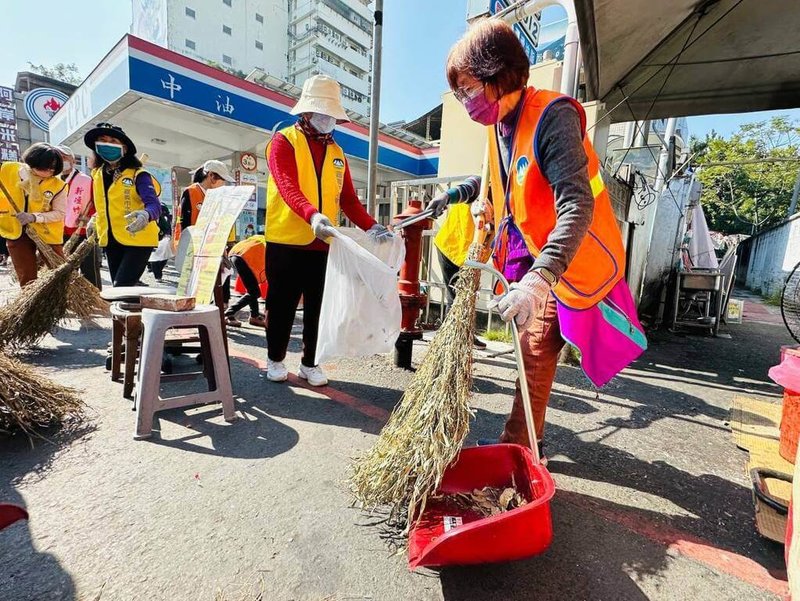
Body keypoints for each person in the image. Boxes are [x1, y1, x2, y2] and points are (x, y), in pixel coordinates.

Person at [445, 20, 626, 457]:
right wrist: (473, 197)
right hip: (525, 256)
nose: (465, 101)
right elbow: (506, 177)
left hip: (567, 258)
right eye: (459, 93)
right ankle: (528, 439)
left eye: (468, 89)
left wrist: (538, 278)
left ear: (497, 74)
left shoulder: (553, 116)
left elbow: (577, 204)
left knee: (534, 352)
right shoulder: (500, 124)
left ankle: (520, 448)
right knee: (527, 352)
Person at [265, 74, 392, 387]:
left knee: (319, 310)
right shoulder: (283, 141)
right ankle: (275, 359)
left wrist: (373, 226)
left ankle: (311, 363)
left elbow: (348, 200)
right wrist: (312, 215)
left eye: (331, 114)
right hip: (286, 241)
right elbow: (287, 186)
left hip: (323, 245)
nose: (327, 119)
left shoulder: (337, 153)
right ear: (306, 111)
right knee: (281, 306)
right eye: (321, 112)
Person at [84, 123, 162, 287]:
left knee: (121, 286)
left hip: (138, 238)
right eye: (102, 140)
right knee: (119, 290)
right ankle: (131, 311)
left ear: (124, 148)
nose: (107, 144)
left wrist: (146, 214)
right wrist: (95, 218)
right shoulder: (97, 175)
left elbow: (154, 205)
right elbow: (104, 205)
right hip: (111, 239)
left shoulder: (138, 174)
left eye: (113, 141)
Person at [428, 176, 486, 349]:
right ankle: (449, 341)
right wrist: (446, 196)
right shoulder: (481, 184)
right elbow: (466, 188)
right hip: (452, 248)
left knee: (468, 295)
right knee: (456, 296)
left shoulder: (503, 194)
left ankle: (465, 334)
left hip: (471, 256)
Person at [0, 143, 67, 286]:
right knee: (26, 277)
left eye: (53, 169)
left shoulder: (58, 185)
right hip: (16, 231)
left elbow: (60, 213)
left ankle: (59, 300)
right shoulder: (8, 170)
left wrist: (33, 217)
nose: (49, 172)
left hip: (47, 233)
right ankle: (34, 305)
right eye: (45, 167)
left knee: (59, 272)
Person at [58, 145, 102, 290]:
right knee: (66, 269)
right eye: (58, 157)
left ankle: (95, 296)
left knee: (89, 268)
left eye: (64, 157)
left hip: (82, 231)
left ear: (72, 160)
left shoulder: (86, 180)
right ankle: (71, 298)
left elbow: (98, 203)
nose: (61, 160)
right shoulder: (53, 180)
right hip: (59, 232)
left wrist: (89, 217)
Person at [225, 234, 267, 328]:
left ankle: (254, 316)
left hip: (237, 253)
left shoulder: (265, 239)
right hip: (245, 257)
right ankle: (228, 313)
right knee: (255, 292)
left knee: (252, 290)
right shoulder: (278, 249)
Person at [148, 202, 174, 282]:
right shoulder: (149, 214)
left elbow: (167, 226)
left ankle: (157, 272)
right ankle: (157, 275)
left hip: (163, 237)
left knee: (164, 256)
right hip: (152, 237)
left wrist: (167, 235)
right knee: (154, 257)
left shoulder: (163, 213)